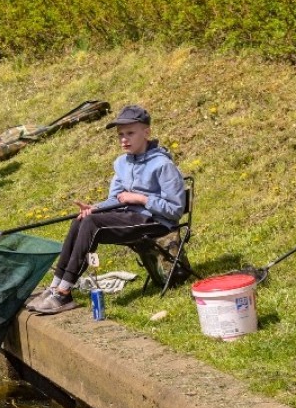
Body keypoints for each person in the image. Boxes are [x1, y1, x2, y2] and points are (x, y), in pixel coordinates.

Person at [27, 106, 185, 315]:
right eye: (120, 134)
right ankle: (55, 285)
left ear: (146, 132)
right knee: (82, 219)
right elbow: (115, 199)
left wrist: (141, 198)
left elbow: (175, 210)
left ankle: (64, 292)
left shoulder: (163, 165)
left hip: (155, 222)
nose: (124, 139)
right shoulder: (121, 163)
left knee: (92, 224)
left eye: (130, 133)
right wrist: (95, 208)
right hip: (129, 217)